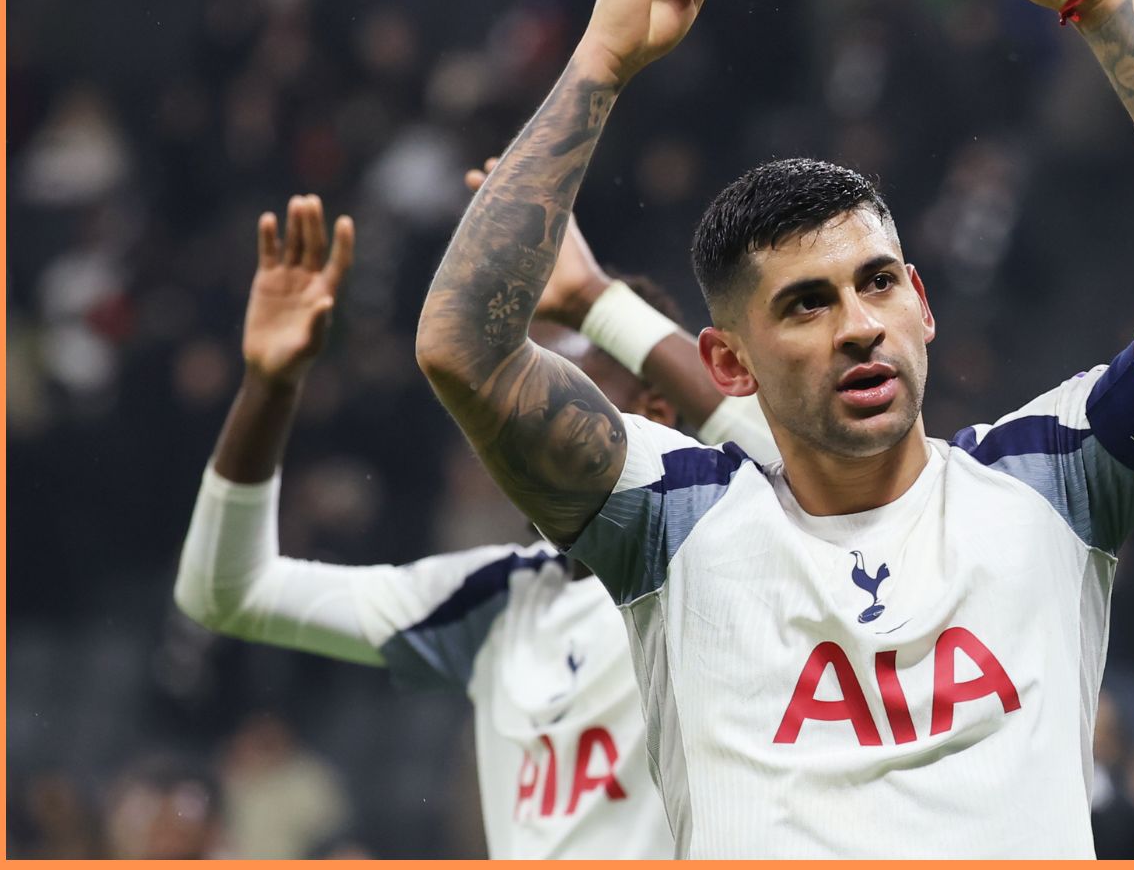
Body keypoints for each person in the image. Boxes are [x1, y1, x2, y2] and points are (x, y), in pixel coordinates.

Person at [415, 0, 1134, 857]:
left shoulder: (1056, 477)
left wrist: (1102, 0)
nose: (856, 323)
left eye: (878, 282)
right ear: (729, 365)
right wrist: (599, 64)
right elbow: (466, 352)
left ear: (923, 304)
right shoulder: (667, 523)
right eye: (804, 305)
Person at [174, 193, 776, 858]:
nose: (514, 421)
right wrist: (269, 387)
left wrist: (597, 300)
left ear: (654, 413)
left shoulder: (724, 552)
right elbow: (227, 592)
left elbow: (789, 460)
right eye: (507, 399)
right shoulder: (492, 602)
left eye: (555, 391)